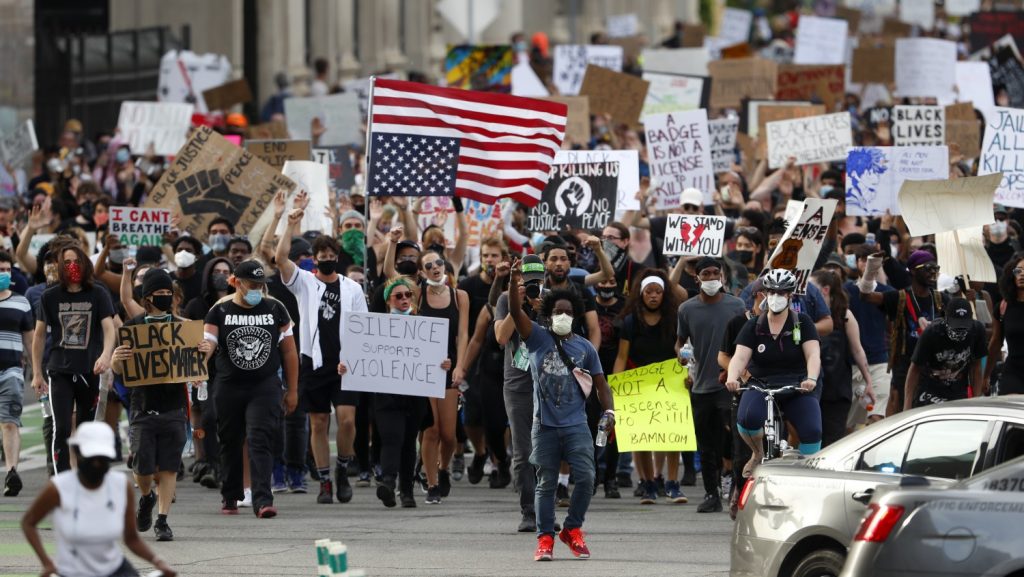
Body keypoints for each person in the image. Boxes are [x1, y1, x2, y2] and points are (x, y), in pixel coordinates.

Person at [507, 258, 616, 562]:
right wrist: (514, 282)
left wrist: (610, 413)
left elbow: (601, 385)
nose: (563, 316)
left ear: (576, 316)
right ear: (548, 314)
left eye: (568, 312)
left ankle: (572, 530)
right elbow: (515, 312)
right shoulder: (538, 338)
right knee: (546, 483)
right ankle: (545, 539)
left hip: (577, 425)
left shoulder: (585, 348)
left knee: (586, 478)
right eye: (558, 312)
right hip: (544, 426)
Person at [276, 204, 368, 505]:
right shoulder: (305, 283)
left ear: (337, 258)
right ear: (314, 259)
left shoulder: (352, 288)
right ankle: (325, 479)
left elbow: (362, 326)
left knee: (347, 421)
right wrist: (289, 224)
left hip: (345, 364)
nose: (327, 260)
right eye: (322, 256)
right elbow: (279, 259)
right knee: (317, 423)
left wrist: (352, 358)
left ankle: (342, 466)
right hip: (313, 362)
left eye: (331, 256)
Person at [112, 269, 210, 541]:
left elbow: (198, 367)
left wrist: (203, 351)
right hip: (143, 407)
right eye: (160, 294)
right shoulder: (133, 328)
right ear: (147, 298)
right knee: (143, 468)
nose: (166, 298)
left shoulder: (184, 327)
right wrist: (117, 358)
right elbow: (119, 369)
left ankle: (163, 520)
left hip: (175, 407)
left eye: (169, 293)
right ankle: (146, 497)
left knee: (168, 467)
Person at [338, 277, 451, 508]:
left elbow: (435, 357)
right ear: (388, 300)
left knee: (409, 441)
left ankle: (407, 491)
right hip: (386, 395)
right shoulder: (374, 328)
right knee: (392, 437)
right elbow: (358, 355)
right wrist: (345, 367)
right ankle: (389, 482)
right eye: (398, 296)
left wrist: (443, 364)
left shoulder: (423, 326)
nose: (404, 299)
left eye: (408, 295)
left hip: (415, 396)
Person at [203, 260, 299, 518]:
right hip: (229, 385)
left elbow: (289, 352)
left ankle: (262, 499)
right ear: (236, 282)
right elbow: (209, 342)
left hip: (264, 385)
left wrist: (292, 390)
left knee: (260, 438)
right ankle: (231, 494)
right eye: (251, 284)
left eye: (260, 284)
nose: (257, 289)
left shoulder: (275, 308)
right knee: (230, 440)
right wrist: (199, 361)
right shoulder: (219, 310)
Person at [21, 421, 177, 577]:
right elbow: (28, 522)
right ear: (77, 452)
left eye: (102, 458)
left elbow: (131, 538)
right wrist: (47, 563)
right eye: (91, 457)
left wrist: (158, 562)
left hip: (115, 570)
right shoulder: (59, 488)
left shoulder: (120, 485)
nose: (96, 463)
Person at [726, 269, 822, 477]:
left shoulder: (802, 322)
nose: (776, 297)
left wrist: (811, 378)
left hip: (796, 384)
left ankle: (808, 473)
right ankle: (758, 453)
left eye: (781, 293)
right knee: (747, 418)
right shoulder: (754, 324)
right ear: (764, 294)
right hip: (761, 383)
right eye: (771, 292)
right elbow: (740, 357)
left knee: (812, 429)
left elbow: (813, 354)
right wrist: (732, 377)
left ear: (790, 295)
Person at [32, 243, 116, 473]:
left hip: (90, 370)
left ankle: (84, 475)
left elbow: (109, 328)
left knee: (86, 428)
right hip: (59, 371)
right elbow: (39, 336)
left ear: (85, 264)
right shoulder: (50, 296)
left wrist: (106, 355)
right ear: (60, 266)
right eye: (67, 262)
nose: (72, 266)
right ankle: (63, 479)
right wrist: (37, 373)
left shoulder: (98, 292)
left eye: (76, 261)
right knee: (62, 428)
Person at [675, 257, 746, 512]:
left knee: (733, 440)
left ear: (723, 277)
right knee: (705, 444)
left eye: (717, 273)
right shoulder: (687, 309)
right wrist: (683, 360)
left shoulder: (737, 306)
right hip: (700, 384)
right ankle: (711, 493)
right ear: (697, 278)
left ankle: (733, 486)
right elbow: (681, 342)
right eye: (706, 273)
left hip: (729, 382)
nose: (712, 277)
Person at [614, 271, 688, 505]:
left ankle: (672, 484)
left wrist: (687, 371)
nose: (653, 296)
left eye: (658, 292)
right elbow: (621, 356)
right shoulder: (630, 322)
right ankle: (647, 483)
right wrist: (615, 385)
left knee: (671, 437)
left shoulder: (674, 319)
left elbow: (683, 351)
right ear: (641, 294)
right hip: (639, 384)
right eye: (649, 292)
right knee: (641, 438)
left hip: (670, 384)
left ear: (664, 295)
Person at [494, 256, 546, 532]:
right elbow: (501, 338)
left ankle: (545, 509)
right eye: (527, 281)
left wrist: (542, 308)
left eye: (537, 281)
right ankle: (528, 511)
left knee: (548, 449)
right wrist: (518, 303)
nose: (532, 286)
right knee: (524, 451)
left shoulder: (551, 299)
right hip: (518, 384)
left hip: (549, 384)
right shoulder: (506, 299)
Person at [862, 249, 948, 415]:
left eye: (935, 268)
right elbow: (865, 296)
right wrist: (872, 267)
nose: (933, 272)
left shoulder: (941, 299)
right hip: (905, 366)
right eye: (928, 268)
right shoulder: (898, 297)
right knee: (901, 412)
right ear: (914, 271)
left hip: (934, 369)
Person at [414, 246, 469, 504]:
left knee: (450, 435)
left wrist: (460, 366)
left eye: (438, 262)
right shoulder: (417, 294)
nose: (435, 267)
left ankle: (443, 467)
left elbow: (464, 335)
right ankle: (432, 481)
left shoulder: (460, 296)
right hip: (423, 370)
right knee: (431, 430)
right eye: (428, 265)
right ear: (421, 272)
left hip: (448, 369)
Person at [808, 270, 874, 447]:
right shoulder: (808, 312)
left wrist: (869, 382)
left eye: (811, 287)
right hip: (810, 387)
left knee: (832, 440)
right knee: (810, 436)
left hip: (836, 388)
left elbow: (857, 350)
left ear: (825, 290)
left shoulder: (844, 315)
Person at [904, 297, 986, 410]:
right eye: (956, 325)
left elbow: (976, 367)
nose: (960, 330)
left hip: (957, 391)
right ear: (946, 319)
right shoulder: (932, 332)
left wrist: (976, 401)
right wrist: (907, 406)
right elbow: (914, 369)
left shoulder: (977, 331)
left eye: (964, 325)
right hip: (930, 391)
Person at [0, 251, 33, 496]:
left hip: (11, 370)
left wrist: (38, 372)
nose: (4, 274)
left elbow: (31, 341)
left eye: (7, 270)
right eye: (0, 270)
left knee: (10, 422)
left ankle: (12, 472)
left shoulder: (21, 302)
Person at [989, 257, 1024, 395]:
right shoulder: (1003, 307)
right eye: (1018, 271)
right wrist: (986, 375)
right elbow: (996, 341)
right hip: (1012, 372)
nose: (1022, 274)